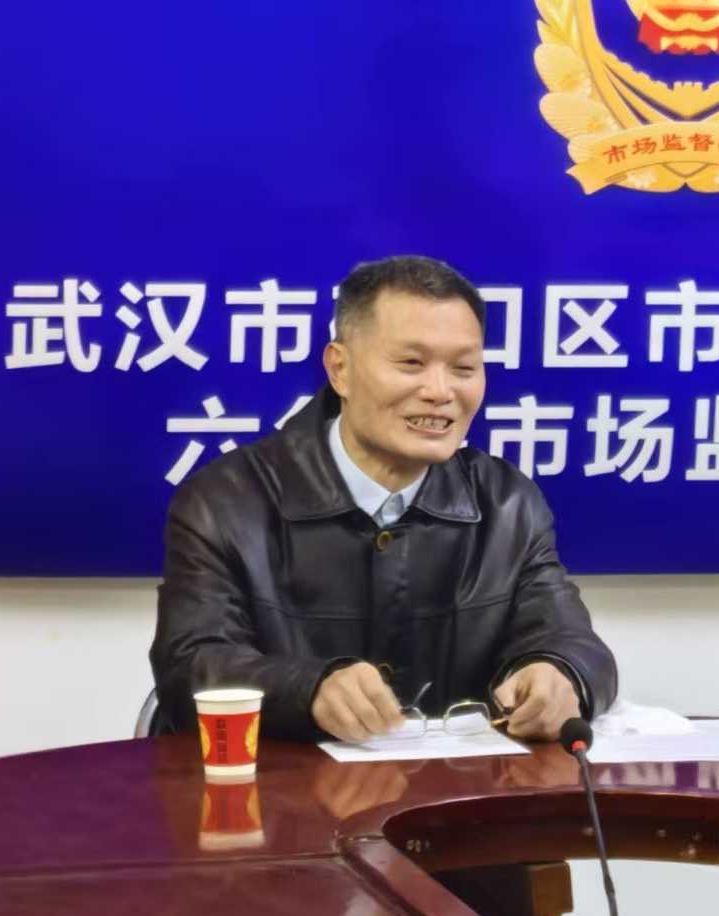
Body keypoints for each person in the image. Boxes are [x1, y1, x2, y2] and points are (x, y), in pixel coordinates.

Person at [150, 254, 617, 743]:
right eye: (411, 363)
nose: (440, 391)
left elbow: (576, 643)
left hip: (455, 787)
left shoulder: (506, 503)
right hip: (278, 783)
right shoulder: (226, 501)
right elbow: (189, 667)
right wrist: (307, 689)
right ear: (340, 369)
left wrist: (561, 673)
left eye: (463, 368)